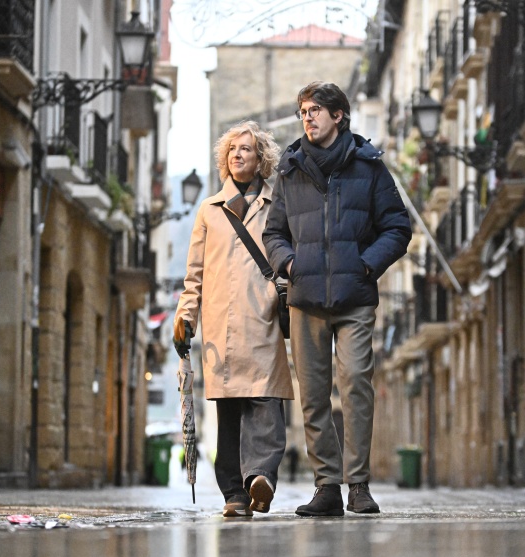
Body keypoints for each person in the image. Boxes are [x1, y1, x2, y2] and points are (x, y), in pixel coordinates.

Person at [263, 81, 412, 516]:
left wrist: (365, 265)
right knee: (312, 395)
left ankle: (358, 485)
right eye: (303, 112)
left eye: (315, 110)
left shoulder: (369, 167)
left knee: (356, 385)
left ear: (338, 115)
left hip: (355, 297)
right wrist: (290, 263)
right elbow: (274, 233)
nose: (307, 118)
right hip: (305, 298)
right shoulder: (289, 170)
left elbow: (397, 227)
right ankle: (327, 486)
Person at [174, 120, 293, 518]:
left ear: (261, 159)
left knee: (265, 403)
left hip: (263, 317)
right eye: (231, 149)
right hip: (220, 324)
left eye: (246, 148)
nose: (237, 154)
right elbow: (194, 274)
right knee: (228, 412)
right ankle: (234, 495)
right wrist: (185, 316)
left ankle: (260, 477)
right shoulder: (209, 211)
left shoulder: (278, 206)